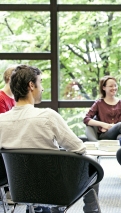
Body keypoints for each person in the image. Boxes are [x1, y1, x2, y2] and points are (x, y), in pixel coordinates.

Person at [0, 65, 100, 213]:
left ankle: (37, 208)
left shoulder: (1, 120)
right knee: (93, 166)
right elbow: (79, 148)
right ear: (31, 85)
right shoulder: (47, 116)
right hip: (51, 189)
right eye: (40, 83)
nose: (42, 89)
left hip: (17, 189)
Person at [83, 76, 121, 140]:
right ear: (104, 88)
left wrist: (111, 126)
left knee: (120, 137)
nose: (114, 88)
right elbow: (86, 119)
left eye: (115, 85)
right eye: (111, 86)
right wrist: (104, 125)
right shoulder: (98, 103)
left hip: (120, 134)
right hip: (105, 135)